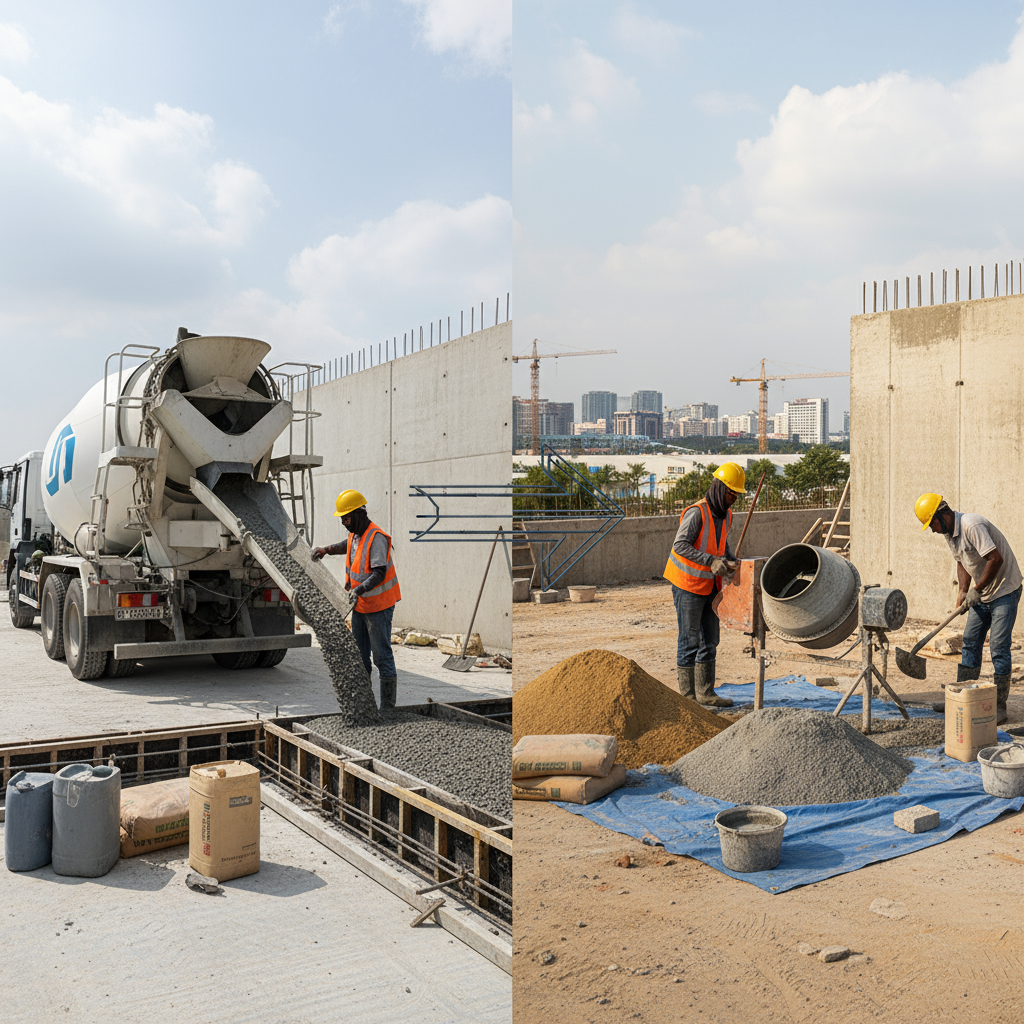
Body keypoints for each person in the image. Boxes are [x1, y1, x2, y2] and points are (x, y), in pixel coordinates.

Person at [916, 493, 1022, 724]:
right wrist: (964, 591)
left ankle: (999, 706)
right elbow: (961, 561)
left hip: (1005, 589)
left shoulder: (972, 525)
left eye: (931, 524)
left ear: (942, 515)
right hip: (981, 592)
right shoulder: (949, 533)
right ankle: (962, 698)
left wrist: (978, 587)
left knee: (998, 647)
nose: (933, 530)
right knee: (970, 641)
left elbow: (996, 559)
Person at [663, 463, 745, 707]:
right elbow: (680, 545)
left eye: (737, 495)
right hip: (687, 584)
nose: (734, 499)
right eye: (732, 494)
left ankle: (706, 693)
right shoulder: (697, 513)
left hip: (711, 586)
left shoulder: (726, 515)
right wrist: (710, 561)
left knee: (710, 640)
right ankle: (688, 700)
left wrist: (730, 560)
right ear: (720, 489)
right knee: (689, 641)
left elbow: (721, 545)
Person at [311, 489, 401, 709]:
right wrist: (326, 550)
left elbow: (378, 573)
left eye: (347, 518)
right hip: (361, 606)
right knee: (360, 659)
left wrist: (358, 590)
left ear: (359, 514)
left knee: (382, 658)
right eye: (342, 518)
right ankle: (364, 707)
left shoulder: (377, 537)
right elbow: (347, 545)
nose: (344, 522)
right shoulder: (356, 533)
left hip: (378, 607)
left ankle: (388, 711)